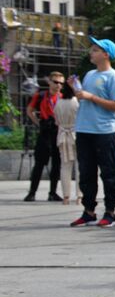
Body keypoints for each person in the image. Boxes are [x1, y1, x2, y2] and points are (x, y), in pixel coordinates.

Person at [70, 38, 115, 228]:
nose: (91, 53)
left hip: (103, 131)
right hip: (84, 128)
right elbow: (85, 100)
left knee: (108, 172)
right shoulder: (89, 74)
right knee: (86, 172)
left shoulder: (113, 77)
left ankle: (110, 211)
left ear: (106, 54)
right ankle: (88, 211)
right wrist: (77, 89)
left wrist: (91, 96)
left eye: (95, 50)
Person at [23, 72, 64, 202]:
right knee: (39, 163)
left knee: (57, 164)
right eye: (56, 82)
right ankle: (32, 192)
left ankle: (52, 193)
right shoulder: (40, 96)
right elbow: (29, 110)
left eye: (61, 83)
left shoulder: (63, 97)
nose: (58, 85)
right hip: (45, 131)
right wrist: (38, 123)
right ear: (49, 82)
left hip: (58, 131)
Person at [53, 78, 79, 205]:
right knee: (79, 167)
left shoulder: (58, 102)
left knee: (65, 166)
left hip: (63, 134)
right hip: (76, 134)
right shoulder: (76, 102)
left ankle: (66, 196)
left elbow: (56, 121)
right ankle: (80, 195)